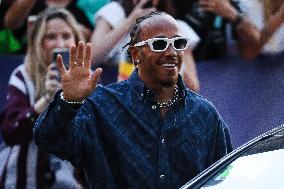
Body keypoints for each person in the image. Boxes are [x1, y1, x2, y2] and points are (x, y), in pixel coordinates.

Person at [34, 12, 232, 188]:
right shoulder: (102, 106)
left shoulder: (205, 114)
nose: (171, 52)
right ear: (136, 54)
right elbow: (49, 140)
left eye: (178, 43)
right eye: (160, 44)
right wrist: (69, 102)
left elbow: (226, 179)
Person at [0, 8, 85, 188]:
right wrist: (47, 99)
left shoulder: (88, 79)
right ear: (38, 42)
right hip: (23, 180)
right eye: (51, 37)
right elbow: (10, 132)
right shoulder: (23, 76)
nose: (59, 43)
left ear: (77, 40)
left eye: (66, 36)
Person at [91, 0, 200, 91]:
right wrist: (131, 21)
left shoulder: (178, 28)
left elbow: (193, 87)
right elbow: (93, 56)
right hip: (116, 95)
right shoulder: (115, 12)